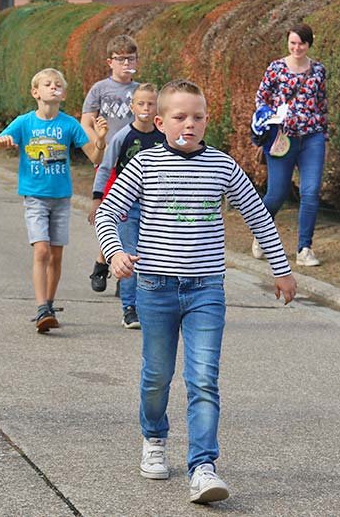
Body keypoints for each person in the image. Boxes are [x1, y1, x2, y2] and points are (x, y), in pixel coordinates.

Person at [95, 80, 297, 504]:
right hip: (155, 288)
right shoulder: (144, 166)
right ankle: (154, 437)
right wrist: (115, 254)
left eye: (198, 117)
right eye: (180, 117)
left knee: (204, 378)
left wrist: (282, 270)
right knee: (157, 377)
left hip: (206, 290)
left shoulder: (222, 166)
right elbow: (107, 214)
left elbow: (258, 217)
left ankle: (203, 467)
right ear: (159, 121)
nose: (190, 124)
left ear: (208, 120)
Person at [0, 68, 108, 332]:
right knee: (41, 250)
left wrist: (100, 141)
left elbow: (95, 159)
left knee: (56, 255)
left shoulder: (69, 125)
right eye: (48, 84)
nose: (53, 87)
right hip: (35, 198)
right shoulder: (25, 122)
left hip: (61, 199)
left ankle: (49, 306)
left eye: (58, 85)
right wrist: (2, 142)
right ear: (35, 92)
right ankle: (42, 308)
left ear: (62, 93)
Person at [88, 83, 164, 329]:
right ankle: (129, 308)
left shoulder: (164, 139)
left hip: (156, 206)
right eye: (141, 103)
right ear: (132, 107)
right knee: (130, 253)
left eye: (150, 104)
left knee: (154, 256)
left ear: (158, 109)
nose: (145, 108)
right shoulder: (123, 137)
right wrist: (97, 200)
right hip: (127, 206)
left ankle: (151, 304)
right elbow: (106, 168)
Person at [253, 23, 328, 267]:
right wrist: (270, 115)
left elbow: (322, 103)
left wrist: (324, 133)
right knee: (277, 193)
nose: (297, 47)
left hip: (312, 137)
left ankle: (304, 248)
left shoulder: (318, 71)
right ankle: (260, 232)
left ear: (309, 44)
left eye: (302, 43)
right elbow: (260, 97)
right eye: (293, 42)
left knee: (311, 191)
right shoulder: (276, 68)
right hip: (281, 137)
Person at [82, 34, 140, 292]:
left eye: (131, 58)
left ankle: (117, 270)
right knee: (113, 216)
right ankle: (103, 263)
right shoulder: (100, 89)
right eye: (121, 59)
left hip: (135, 162)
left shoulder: (141, 91)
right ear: (110, 62)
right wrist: (100, 146)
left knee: (131, 220)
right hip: (109, 162)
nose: (126, 63)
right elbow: (86, 122)